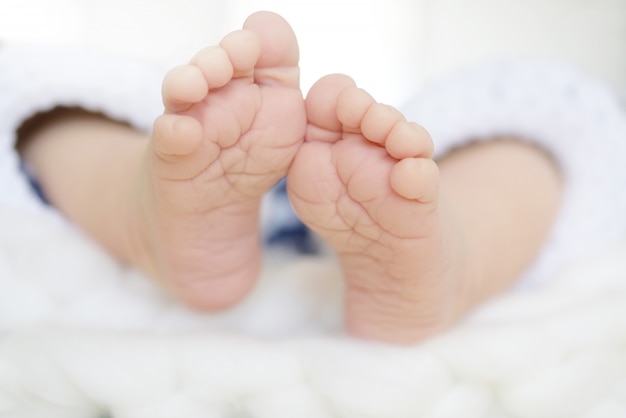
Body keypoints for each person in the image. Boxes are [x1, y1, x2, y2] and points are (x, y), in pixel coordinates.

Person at [5, 11, 625, 344]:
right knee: (47, 106)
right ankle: (145, 209)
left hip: (371, 185)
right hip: (255, 166)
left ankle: (446, 251)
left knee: (538, 120)